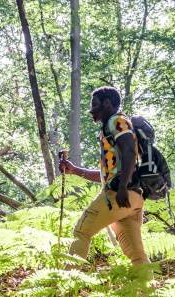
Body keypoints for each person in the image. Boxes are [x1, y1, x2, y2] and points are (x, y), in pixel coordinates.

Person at [59, 86, 149, 266]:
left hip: (120, 195)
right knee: (137, 255)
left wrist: (122, 187)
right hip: (134, 197)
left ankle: (68, 283)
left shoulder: (116, 121)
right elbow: (107, 174)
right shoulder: (114, 127)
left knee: (81, 232)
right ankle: (147, 292)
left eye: (94, 105)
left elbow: (130, 152)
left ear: (107, 104)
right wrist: (75, 170)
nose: (91, 110)